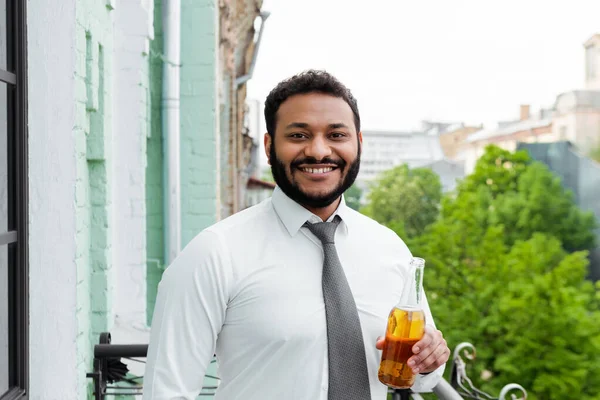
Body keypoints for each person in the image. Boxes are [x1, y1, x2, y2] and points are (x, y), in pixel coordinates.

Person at [143, 70, 450, 400]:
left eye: (336, 135)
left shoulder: (390, 249)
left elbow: (421, 379)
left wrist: (429, 359)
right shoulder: (215, 252)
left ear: (358, 144)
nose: (319, 151)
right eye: (299, 136)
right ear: (269, 145)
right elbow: (167, 391)